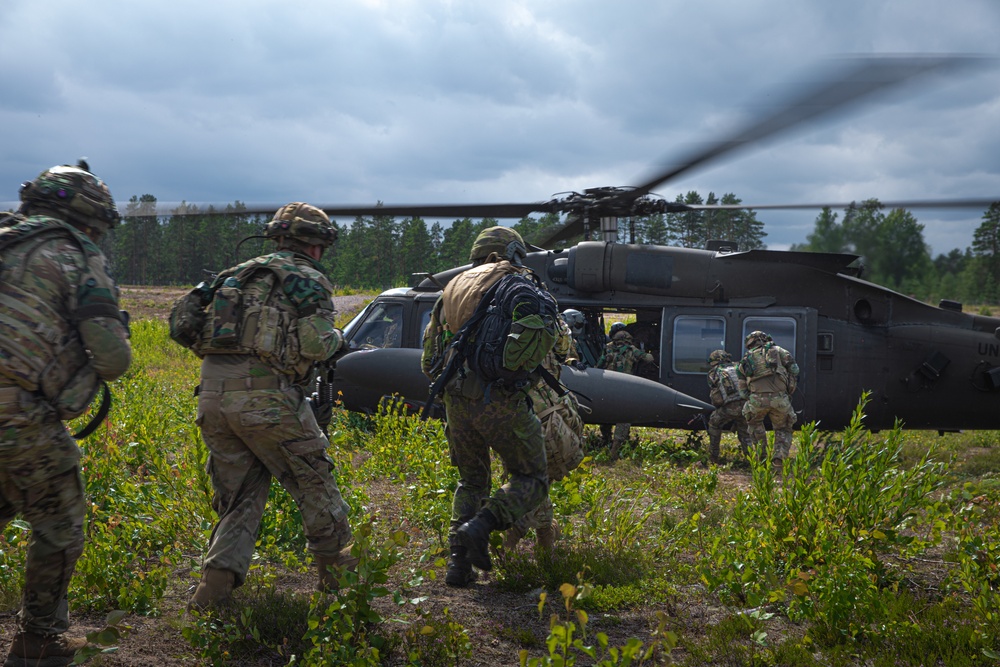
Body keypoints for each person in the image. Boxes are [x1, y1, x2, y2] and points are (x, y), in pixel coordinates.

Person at [187, 203, 354, 611]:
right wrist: (340, 340)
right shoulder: (306, 277)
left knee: (240, 498)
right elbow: (316, 344)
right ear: (316, 244)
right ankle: (340, 595)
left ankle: (211, 597)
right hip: (267, 399)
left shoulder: (236, 275)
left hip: (212, 398)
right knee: (315, 483)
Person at [0, 161, 132, 666]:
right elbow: (114, 359)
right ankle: (38, 639)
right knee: (61, 523)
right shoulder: (73, 254)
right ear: (88, 219)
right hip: (17, 415)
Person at [420, 226, 554, 587]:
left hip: (455, 400)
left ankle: (458, 566)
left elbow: (428, 360)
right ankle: (481, 525)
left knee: (472, 480)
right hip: (498, 400)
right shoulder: (516, 285)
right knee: (532, 479)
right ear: (513, 253)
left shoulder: (451, 290)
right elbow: (535, 347)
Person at [503, 317, 584, 553]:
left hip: (513, 412)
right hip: (549, 412)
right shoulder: (553, 320)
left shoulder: (501, 318)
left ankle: (523, 537)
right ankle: (538, 539)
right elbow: (565, 349)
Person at [737, 331, 800, 463]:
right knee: (783, 428)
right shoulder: (779, 351)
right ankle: (779, 458)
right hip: (780, 399)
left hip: (756, 400)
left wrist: (753, 397)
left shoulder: (746, 358)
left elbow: (742, 391)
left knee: (754, 425)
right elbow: (795, 370)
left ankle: (762, 457)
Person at [597, 327, 653, 459]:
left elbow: (598, 365)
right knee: (624, 417)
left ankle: (606, 439)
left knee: (606, 416)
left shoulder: (607, 349)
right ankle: (615, 450)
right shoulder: (631, 350)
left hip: (608, 387)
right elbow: (649, 359)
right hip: (624, 387)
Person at [705, 349, 753, 464]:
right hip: (747, 405)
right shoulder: (739, 367)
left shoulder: (715, 372)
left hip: (730, 407)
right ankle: (751, 460)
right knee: (745, 432)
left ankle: (713, 457)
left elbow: (716, 396)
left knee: (714, 424)